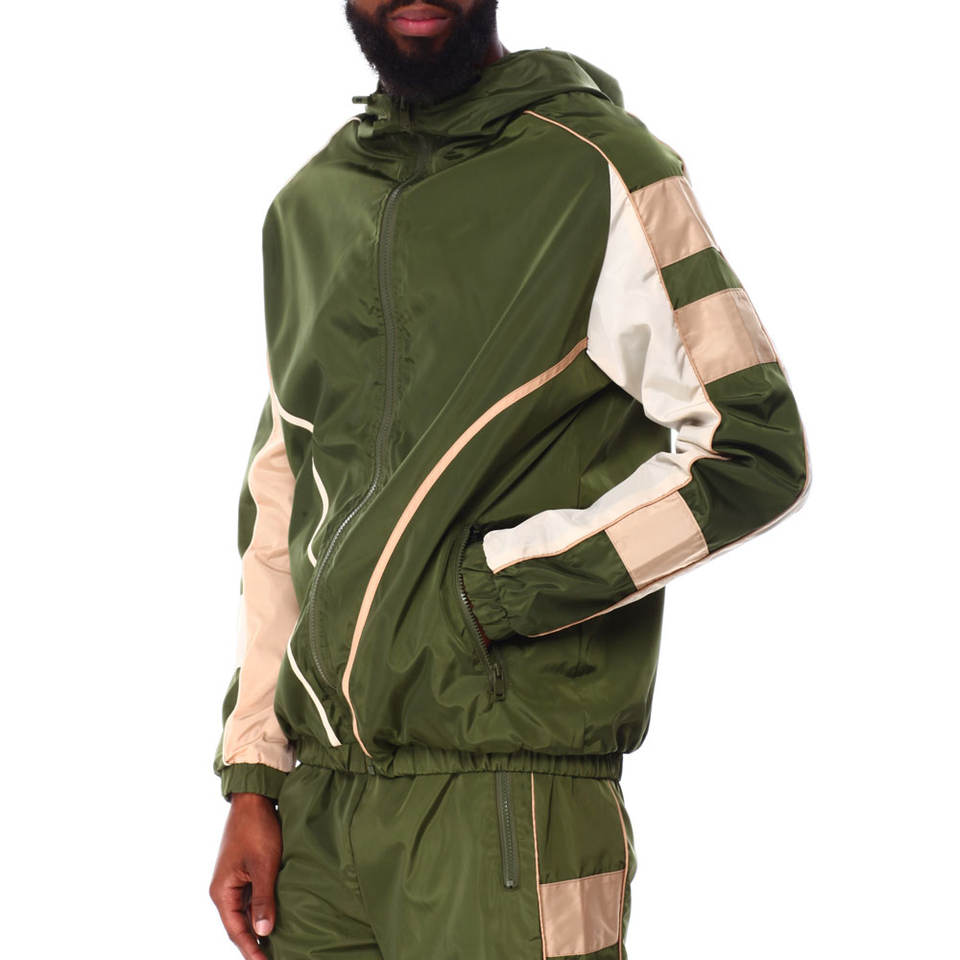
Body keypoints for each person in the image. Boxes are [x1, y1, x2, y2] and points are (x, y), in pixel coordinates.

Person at [208, 2, 812, 958]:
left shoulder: (599, 167)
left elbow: (753, 446)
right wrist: (254, 777)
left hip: (508, 800)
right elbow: (284, 505)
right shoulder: (310, 203)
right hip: (317, 821)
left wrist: (495, 593)